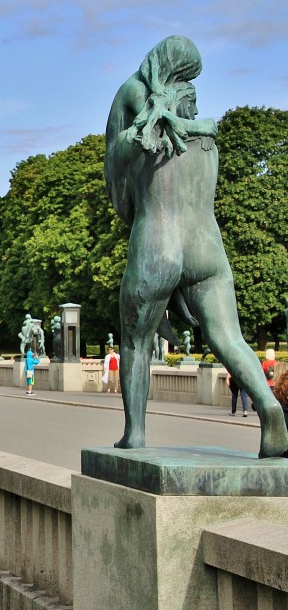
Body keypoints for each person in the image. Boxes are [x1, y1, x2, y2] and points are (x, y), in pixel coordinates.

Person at [104, 35, 288, 457]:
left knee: (135, 342)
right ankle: (268, 406)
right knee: (230, 338)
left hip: (157, 242)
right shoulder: (208, 146)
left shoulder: (147, 139)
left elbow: (120, 179)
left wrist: (141, 123)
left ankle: (135, 433)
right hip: (207, 247)